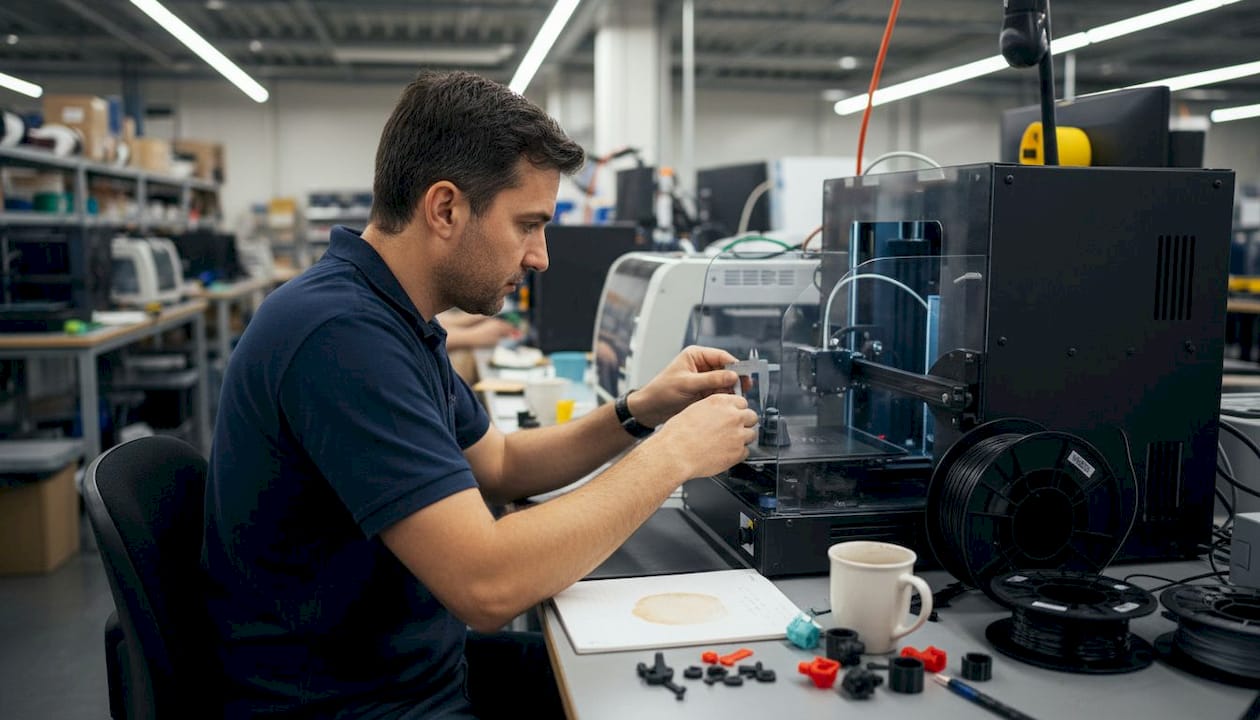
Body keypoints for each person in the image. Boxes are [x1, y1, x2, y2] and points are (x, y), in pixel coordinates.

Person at [202, 70, 758, 719]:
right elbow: (487, 585)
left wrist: (641, 411)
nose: (540, 256)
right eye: (527, 224)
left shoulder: (392, 316)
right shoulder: (340, 337)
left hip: (405, 674)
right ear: (445, 209)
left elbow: (500, 464)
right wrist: (675, 458)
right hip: (352, 705)